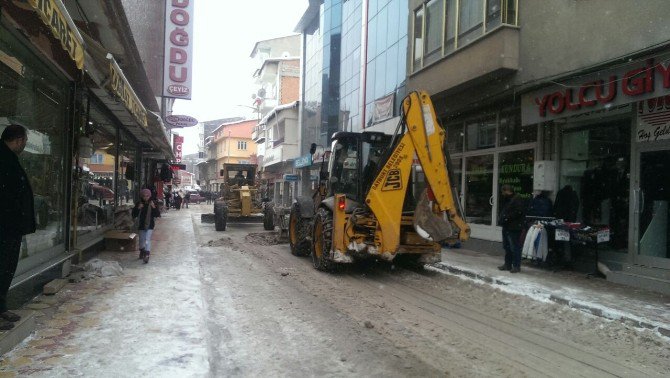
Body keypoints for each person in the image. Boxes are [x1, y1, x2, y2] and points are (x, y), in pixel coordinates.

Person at [0, 124, 36, 330]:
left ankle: (2, 307)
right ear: (19, 140)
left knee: (6, 268)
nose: (24, 145)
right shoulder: (3, 158)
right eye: (25, 141)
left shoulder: (8, 157)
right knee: (2, 267)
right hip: (4, 226)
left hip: (10, 226)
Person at [497, 185, 526, 273]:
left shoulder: (517, 199)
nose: (502, 194)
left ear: (507, 191)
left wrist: (507, 218)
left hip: (514, 227)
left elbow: (518, 212)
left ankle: (516, 266)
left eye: (503, 192)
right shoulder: (508, 200)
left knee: (514, 247)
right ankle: (507, 264)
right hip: (507, 226)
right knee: (507, 246)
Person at [132, 188, 161, 264]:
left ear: (150, 196)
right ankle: (142, 251)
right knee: (141, 240)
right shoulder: (139, 203)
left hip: (150, 225)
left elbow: (157, 214)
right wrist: (138, 208)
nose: (146, 197)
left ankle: (147, 255)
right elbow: (133, 214)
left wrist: (154, 207)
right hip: (141, 224)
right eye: (144, 196)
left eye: (147, 196)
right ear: (142, 196)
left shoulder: (153, 203)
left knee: (147, 239)